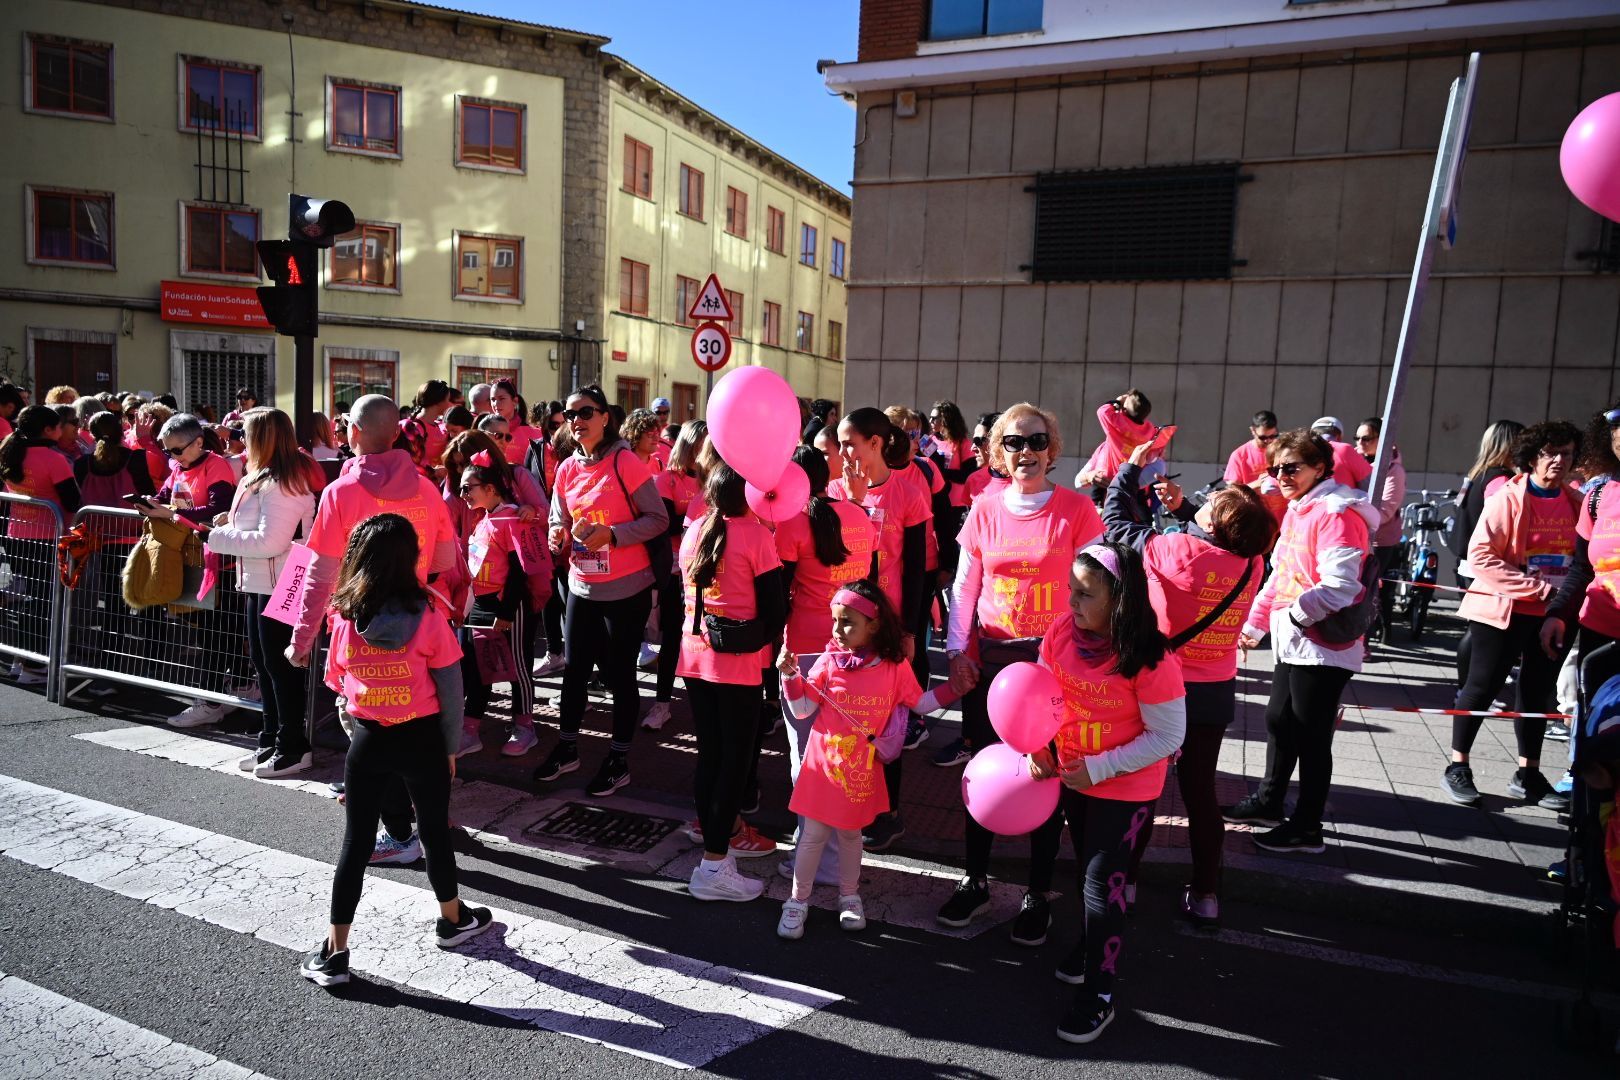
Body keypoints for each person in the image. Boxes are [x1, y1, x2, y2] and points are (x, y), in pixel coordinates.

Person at [299, 514, 489, 987]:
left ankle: (335, 950)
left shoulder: (343, 615)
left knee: (355, 844)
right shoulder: (429, 615)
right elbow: (451, 690)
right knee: (434, 834)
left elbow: (337, 682)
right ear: (410, 560)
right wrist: (449, 748)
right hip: (423, 738)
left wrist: (361, 729)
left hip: (368, 739)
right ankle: (452, 919)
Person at [936, 403, 1104, 936]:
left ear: (1052, 449)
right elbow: (965, 588)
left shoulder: (1077, 511)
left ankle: (1037, 892)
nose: (1025, 452)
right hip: (991, 664)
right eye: (1013, 443)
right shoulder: (985, 507)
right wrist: (958, 652)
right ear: (997, 452)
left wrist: (1090, 660)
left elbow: (1096, 593)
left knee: (1046, 775)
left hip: (1052, 669)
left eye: (1036, 441)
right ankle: (975, 880)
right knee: (983, 771)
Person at [1107, 443, 1276, 925]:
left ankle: (1130, 882)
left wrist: (1130, 467)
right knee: (1200, 793)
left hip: (1162, 686)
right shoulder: (1251, 563)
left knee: (1144, 790)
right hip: (1215, 690)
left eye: (1211, 501)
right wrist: (1182, 510)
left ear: (1212, 525)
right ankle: (1206, 893)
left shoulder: (1175, 550)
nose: (1202, 501)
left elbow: (1117, 526)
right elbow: (1206, 539)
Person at [1030, 542, 1186, 1044]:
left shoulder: (1151, 657)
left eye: (1085, 594)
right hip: (1075, 776)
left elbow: (1168, 736)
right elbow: (1038, 691)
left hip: (1125, 788)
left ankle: (1100, 992)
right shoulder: (1060, 632)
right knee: (1088, 878)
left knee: (1103, 886)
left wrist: (1100, 768)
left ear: (1119, 600)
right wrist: (1037, 743)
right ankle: (1092, 946)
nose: (1071, 602)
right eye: (1071, 589)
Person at [776, 578, 957, 938]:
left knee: (850, 837)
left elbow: (919, 703)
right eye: (835, 620)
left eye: (848, 622)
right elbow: (801, 711)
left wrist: (956, 689)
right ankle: (796, 902)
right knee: (811, 836)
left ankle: (849, 896)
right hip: (822, 767)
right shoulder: (829, 661)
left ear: (872, 626)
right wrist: (789, 677)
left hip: (860, 771)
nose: (838, 630)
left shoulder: (894, 667)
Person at [1229, 430, 1378, 852]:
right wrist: (1256, 624)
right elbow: (1281, 573)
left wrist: (1292, 618)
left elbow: (1341, 586)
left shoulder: (1335, 512)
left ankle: (1308, 827)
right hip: (1295, 638)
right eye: (1276, 468)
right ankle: (1269, 801)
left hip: (1323, 643)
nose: (1281, 476)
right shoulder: (1300, 507)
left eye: (1292, 467)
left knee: (1312, 736)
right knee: (1279, 720)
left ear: (1320, 467)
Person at [1442, 421, 1583, 811]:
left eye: (1567, 453)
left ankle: (1528, 773)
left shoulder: (1575, 502)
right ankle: (1458, 766)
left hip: (1554, 613)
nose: (1558, 460)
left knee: (1537, 693)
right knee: (1482, 687)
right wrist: (1541, 589)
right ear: (1533, 456)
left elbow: (1582, 560)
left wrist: (1562, 599)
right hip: (1502, 609)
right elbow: (1482, 557)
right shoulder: (1508, 497)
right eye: (1550, 452)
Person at [539, 384, 669, 796]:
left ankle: (618, 758)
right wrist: (556, 536)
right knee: (574, 671)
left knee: (619, 675)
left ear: (605, 418)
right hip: (582, 584)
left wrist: (612, 535)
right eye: (570, 413)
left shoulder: (624, 461)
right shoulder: (566, 468)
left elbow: (658, 518)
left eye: (586, 412)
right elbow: (556, 518)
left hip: (627, 588)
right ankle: (568, 747)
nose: (577, 421)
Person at [286, 395, 459, 671]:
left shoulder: (339, 493)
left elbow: (320, 575)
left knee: (358, 710)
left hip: (356, 628)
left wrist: (301, 640)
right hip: (414, 626)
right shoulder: (427, 489)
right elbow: (444, 560)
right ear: (395, 433)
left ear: (353, 430)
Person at [680, 463, 786, 901]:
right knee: (734, 765)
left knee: (710, 758)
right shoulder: (757, 536)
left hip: (695, 657)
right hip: (737, 665)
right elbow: (776, 609)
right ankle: (713, 862)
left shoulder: (695, 530)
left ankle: (716, 855)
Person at [827, 408, 931, 852]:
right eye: (840, 443)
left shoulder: (908, 493)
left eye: (850, 442)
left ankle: (888, 814)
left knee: (888, 724)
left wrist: (909, 630)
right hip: (847, 627)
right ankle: (848, 803)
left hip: (889, 627)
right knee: (849, 721)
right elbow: (837, 558)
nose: (843, 451)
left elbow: (916, 568)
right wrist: (850, 503)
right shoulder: (834, 490)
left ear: (877, 442)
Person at [204, 408, 318, 777]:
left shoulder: (282, 481)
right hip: (263, 580)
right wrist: (228, 524)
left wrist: (218, 536)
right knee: (264, 663)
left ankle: (292, 745)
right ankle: (272, 739)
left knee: (279, 667)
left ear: (263, 438)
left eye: (246, 434)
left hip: (284, 581)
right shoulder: (263, 477)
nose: (238, 440)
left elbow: (272, 540)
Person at [134, 412, 243, 728]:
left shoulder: (216, 466)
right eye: (167, 451)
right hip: (191, 559)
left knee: (216, 632)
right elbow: (164, 497)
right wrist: (149, 504)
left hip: (216, 562)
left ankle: (212, 698)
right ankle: (229, 688)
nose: (172, 457)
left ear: (198, 443)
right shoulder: (179, 467)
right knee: (209, 630)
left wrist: (169, 513)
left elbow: (216, 509)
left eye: (177, 450)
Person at [458, 450, 548, 759]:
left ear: (491, 488)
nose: (463, 494)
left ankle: (525, 727)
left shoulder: (511, 517)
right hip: (481, 605)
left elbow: (520, 569)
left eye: (468, 487)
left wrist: (508, 611)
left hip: (508, 606)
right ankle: (470, 730)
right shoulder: (483, 519)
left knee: (519, 667)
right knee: (478, 668)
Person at [0, 405, 81, 684]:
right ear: (49, 430)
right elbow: (72, 500)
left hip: (17, 536)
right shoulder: (53, 458)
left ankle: (20, 660)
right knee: (43, 602)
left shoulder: (9, 450)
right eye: (59, 425)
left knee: (30, 598)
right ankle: (34, 666)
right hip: (46, 537)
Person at [645, 420, 709, 731]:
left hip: (710, 569)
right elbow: (667, 524)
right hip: (674, 568)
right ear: (687, 445)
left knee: (704, 638)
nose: (705, 451)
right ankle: (661, 704)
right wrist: (702, 520)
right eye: (700, 445)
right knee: (672, 637)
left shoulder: (717, 479)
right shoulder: (667, 480)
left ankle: (705, 704)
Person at [1452, 419, 1525, 591]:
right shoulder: (1501, 480)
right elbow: (1503, 521)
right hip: (1486, 565)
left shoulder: (1477, 475)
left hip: (1468, 560)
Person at [1356, 418, 1406, 642]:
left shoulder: (1393, 469)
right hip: (1358, 535)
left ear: (1382, 440)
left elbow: (1386, 508)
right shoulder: (1356, 462)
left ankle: (1367, 638)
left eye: (1366, 438)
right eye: (1357, 438)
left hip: (1380, 540)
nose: (1360, 443)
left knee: (1372, 590)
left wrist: (1357, 517)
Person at [1075, 390, 1153, 500]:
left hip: (1108, 474)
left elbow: (1103, 411)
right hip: (1131, 478)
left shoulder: (1118, 424)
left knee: (1098, 496)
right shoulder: (1148, 430)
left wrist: (1117, 402)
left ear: (1124, 410)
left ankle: (1098, 505)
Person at [1223, 410, 1287, 530]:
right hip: (1255, 522)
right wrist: (1256, 484)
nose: (1268, 441)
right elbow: (1231, 491)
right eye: (1263, 437)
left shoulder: (1283, 451)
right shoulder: (1240, 455)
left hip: (1284, 521)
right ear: (1253, 431)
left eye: (1273, 436)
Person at [1309, 416, 1373, 491]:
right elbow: (1371, 484)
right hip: (1345, 501)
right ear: (1338, 437)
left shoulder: (1304, 453)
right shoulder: (1344, 449)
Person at [492, 378, 543, 467]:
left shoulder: (536, 434)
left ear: (515, 401)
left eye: (501, 398)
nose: (496, 403)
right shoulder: (485, 431)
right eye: (493, 399)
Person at [961, 412, 1006, 505]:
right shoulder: (973, 479)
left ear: (998, 442)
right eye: (973, 441)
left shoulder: (1023, 484)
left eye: (978, 441)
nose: (972, 448)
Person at [413, 380, 454, 471]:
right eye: (448, 400)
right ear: (439, 402)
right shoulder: (415, 428)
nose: (450, 404)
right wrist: (433, 472)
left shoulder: (441, 426)